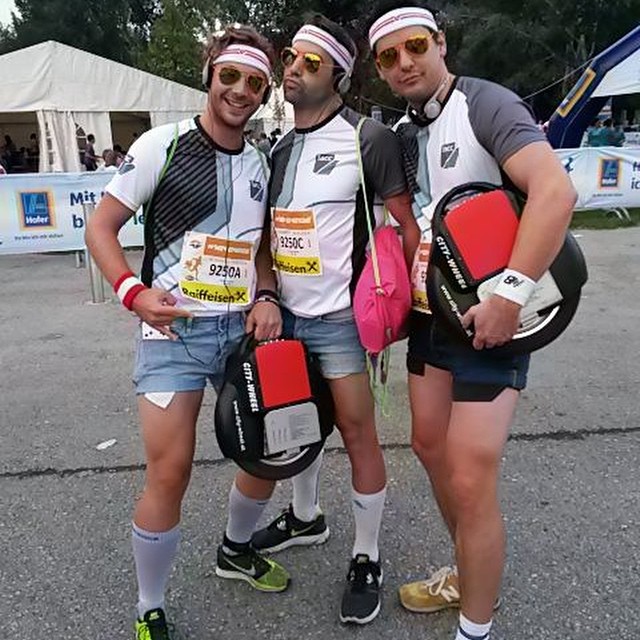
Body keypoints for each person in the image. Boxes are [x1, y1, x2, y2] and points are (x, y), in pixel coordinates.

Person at [366, 3, 576, 639]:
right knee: (429, 449)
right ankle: (469, 572)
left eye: (415, 47)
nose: (405, 63)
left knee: (469, 474)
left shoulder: (484, 103)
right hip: (432, 320)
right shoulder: (402, 133)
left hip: (494, 319)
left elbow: (555, 191)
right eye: (389, 56)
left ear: (440, 43)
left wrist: (511, 294)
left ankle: (474, 628)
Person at [218, 12, 420, 626]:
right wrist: (266, 294)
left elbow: (406, 226)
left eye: (311, 63)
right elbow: (264, 239)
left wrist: (409, 308)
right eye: (290, 59)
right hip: (286, 320)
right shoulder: (278, 148)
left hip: (339, 320)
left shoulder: (367, 138)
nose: (294, 70)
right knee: (290, 429)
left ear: (338, 75)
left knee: (358, 434)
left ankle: (367, 555)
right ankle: (306, 519)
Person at [85, 24, 284, 640]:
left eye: (255, 82)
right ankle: (150, 606)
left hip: (239, 335)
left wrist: (268, 293)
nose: (241, 91)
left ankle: (235, 549)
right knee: (170, 472)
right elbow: (101, 227)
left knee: (268, 452)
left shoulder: (261, 162)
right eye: (230, 76)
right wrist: (133, 292)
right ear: (209, 76)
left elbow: (261, 246)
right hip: (172, 335)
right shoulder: (161, 145)